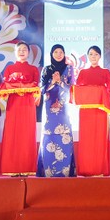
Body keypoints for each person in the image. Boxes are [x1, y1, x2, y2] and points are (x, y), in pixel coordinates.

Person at [0, 41, 40, 176]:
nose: (22, 51)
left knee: (27, 134)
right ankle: (12, 167)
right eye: (19, 49)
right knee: (13, 133)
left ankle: (26, 167)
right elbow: (5, 87)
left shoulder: (34, 69)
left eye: (24, 49)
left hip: (28, 104)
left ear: (28, 52)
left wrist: (23, 86)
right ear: (15, 52)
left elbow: (36, 87)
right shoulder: (9, 69)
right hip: (14, 104)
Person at [74, 46, 110, 176]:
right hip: (86, 111)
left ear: (100, 56)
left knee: (100, 138)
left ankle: (99, 169)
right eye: (91, 54)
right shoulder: (82, 72)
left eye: (96, 54)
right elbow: (78, 90)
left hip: (100, 110)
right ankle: (86, 169)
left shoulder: (106, 72)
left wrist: (97, 91)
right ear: (88, 56)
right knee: (87, 139)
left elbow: (109, 90)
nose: (93, 57)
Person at [37, 44, 75, 177]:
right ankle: (48, 171)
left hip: (64, 109)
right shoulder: (46, 70)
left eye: (61, 52)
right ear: (51, 54)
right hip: (48, 109)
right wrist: (52, 82)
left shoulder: (69, 69)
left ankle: (65, 171)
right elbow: (41, 89)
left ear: (64, 54)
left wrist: (60, 82)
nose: (59, 54)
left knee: (64, 135)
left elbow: (71, 89)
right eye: (56, 52)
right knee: (49, 136)